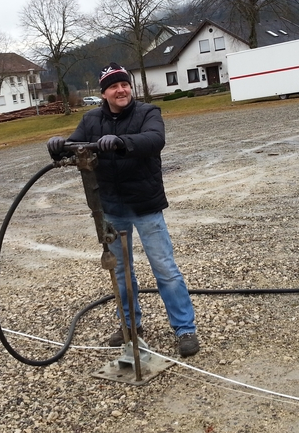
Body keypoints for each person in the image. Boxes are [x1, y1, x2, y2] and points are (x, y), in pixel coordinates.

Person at [47, 62, 199, 357]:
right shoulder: (91, 119)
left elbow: (154, 139)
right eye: (114, 86)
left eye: (125, 84)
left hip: (145, 205)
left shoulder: (147, 113)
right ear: (104, 93)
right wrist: (58, 146)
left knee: (165, 269)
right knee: (121, 272)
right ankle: (130, 326)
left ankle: (185, 329)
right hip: (111, 208)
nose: (121, 90)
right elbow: (75, 145)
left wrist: (121, 142)